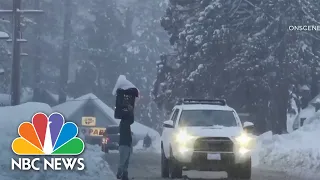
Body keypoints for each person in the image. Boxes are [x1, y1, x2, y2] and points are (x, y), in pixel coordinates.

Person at [113, 76, 139, 180]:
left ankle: (124, 176)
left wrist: (130, 111)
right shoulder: (124, 123)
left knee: (125, 162)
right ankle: (120, 175)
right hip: (124, 145)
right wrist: (131, 110)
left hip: (126, 145)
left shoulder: (125, 123)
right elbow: (131, 121)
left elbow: (130, 121)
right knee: (123, 161)